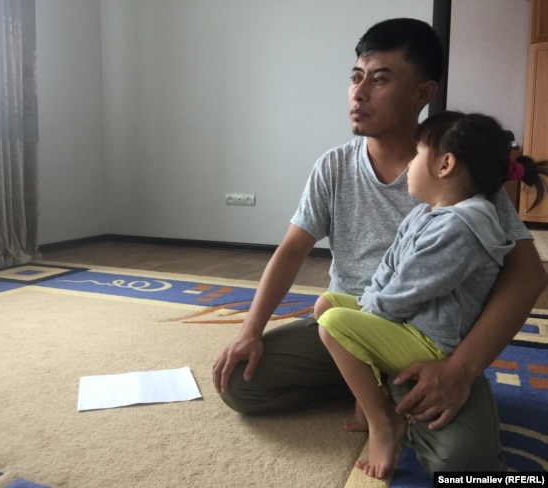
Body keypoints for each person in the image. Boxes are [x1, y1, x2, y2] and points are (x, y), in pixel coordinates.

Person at [212, 17, 548, 474]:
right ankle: (372, 395)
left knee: (467, 464)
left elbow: (528, 276)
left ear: (423, 93)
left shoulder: (463, 173)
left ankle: (393, 399)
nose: (359, 92)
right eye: (355, 77)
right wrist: (250, 331)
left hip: (429, 344)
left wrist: (460, 371)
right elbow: (291, 250)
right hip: (352, 322)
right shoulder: (333, 167)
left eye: (380, 78)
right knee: (238, 383)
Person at [314, 111, 548, 478]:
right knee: (326, 303)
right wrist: (371, 305)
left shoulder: (463, 225)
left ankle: (384, 422)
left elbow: (412, 288)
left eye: (417, 155)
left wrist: (370, 313)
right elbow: (389, 270)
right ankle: (370, 399)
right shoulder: (425, 214)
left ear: (445, 165)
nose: (409, 165)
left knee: (333, 325)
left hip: (430, 342)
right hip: (403, 322)